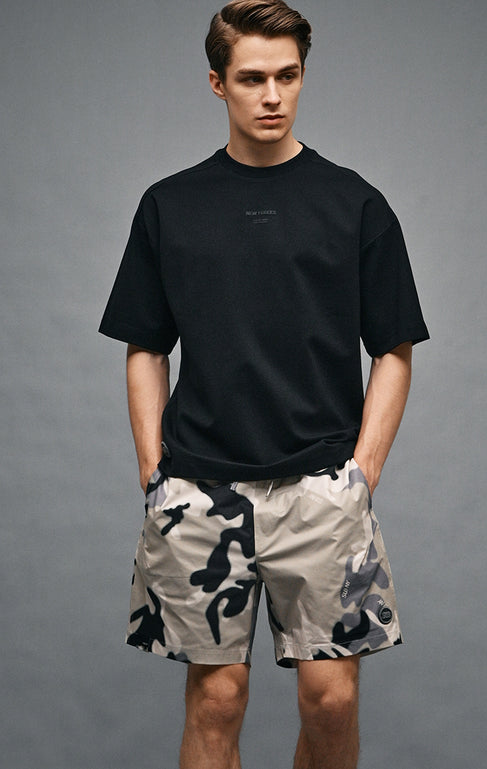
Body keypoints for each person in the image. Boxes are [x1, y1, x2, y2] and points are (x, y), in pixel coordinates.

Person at [99, 1, 429, 766]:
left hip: (320, 488)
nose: (273, 95)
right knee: (217, 698)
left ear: (303, 76)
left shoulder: (354, 203)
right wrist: (152, 469)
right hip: (199, 487)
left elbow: (394, 347)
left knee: (330, 697)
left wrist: (363, 471)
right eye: (252, 78)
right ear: (217, 83)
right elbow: (145, 346)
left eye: (288, 75)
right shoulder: (170, 205)